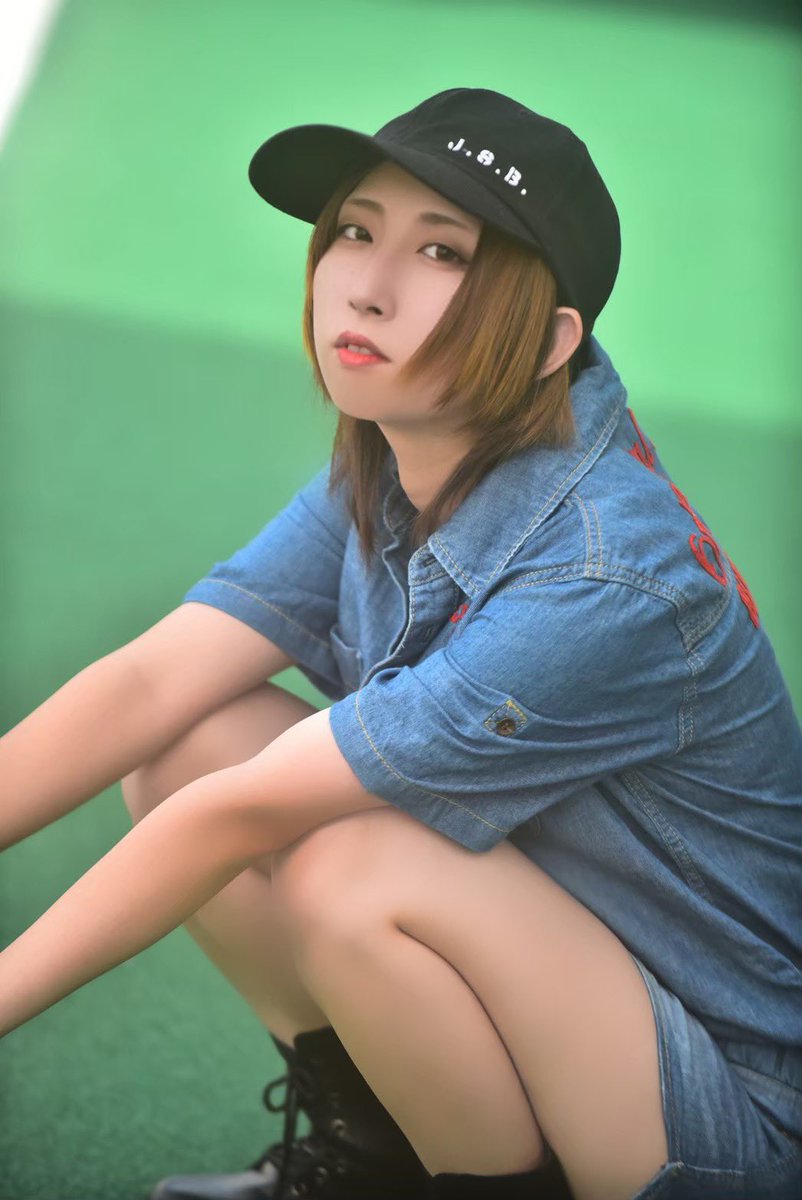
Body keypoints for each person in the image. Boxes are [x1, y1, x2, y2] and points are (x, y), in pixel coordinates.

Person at [0, 87, 800, 1200]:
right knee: (192, 741)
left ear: (549, 340)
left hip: (726, 1112)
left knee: (349, 860)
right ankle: (370, 1155)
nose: (366, 285)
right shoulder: (405, 453)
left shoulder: (602, 578)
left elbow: (242, 817)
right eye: (354, 230)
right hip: (572, 982)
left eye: (441, 252)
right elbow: (149, 686)